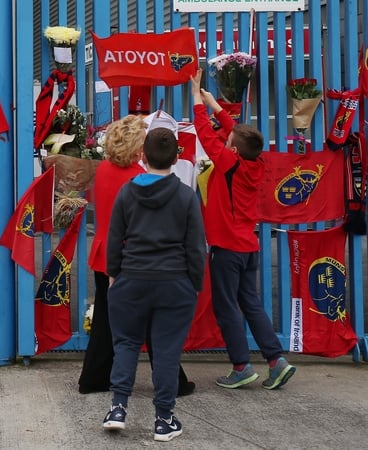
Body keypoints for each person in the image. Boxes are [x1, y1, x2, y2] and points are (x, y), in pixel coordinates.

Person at [190, 69, 296, 390]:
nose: (227, 137)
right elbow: (233, 131)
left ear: (232, 150)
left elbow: (205, 136)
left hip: (226, 249)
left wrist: (196, 100)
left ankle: (241, 366)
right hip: (248, 247)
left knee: (226, 308)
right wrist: (214, 104)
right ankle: (276, 361)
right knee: (250, 303)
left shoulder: (228, 163)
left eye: (230, 140)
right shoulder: (255, 162)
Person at [101, 127, 207, 442]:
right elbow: (196, 247)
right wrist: (195, 284)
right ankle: (163, 419)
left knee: (126, 344)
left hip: (131, 279)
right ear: (176, 158)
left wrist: (113, 274)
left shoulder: (127, 191)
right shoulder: (186, 196)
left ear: (143, 156)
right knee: (166, 351)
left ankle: (118, 408)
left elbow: (114, 239)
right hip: (175, 282)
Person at [78, 115, 195, 397]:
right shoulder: (136, 179)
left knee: (106, 321)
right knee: (156, 321)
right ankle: (173, 381)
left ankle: (93, 378)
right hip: (132, 258)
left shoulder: (104, 169)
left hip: (105, 253)